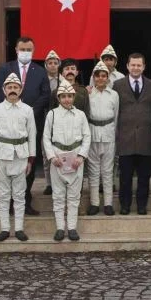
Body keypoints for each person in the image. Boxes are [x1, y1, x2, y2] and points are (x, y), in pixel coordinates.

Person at [0, 36, 50, 215]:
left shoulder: (40, 71)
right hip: (9, 125)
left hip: (33, 121)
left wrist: (29, 111)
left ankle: (25, 201)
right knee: (10, 163)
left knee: (29, 163)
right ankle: (9, 202)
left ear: (33, 51)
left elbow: (45, 94)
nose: (25, 52)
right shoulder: (5, 68)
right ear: (16, 50)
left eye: (29, 50)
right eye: (22, 49)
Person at [0, 73, 37, 242]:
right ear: (4, 90)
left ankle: (19, 229)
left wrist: (31, 159)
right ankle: (5, 229)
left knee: (19, 195)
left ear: (21, 89)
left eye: (16, 87)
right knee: (3, 195)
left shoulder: (27, 110)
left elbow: (32, 135)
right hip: (1, 155)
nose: (12, 90)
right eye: (9, 87)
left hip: (21, 156)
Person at [44, 82, 91, 241]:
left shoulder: (81, 115)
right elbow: (45, 138)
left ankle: (71, 227)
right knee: (58, 195)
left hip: (76, 158)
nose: (66, 100)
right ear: (58, 98)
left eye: (69, 96)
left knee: (73, 196)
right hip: (58, 158)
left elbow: (87, 136)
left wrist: (81, 156)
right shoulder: (52, 114)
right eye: (63, 96)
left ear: (74, 97)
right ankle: (59, 227)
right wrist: (52, 157)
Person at [113, 53, 151, 215]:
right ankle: (125, 205)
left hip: (146, 139)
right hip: (125, 138)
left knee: (144, 177)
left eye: (139, 65)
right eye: (133, 65)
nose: (136, 68)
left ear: (144, 67)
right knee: (125, 177)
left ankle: (141, 206)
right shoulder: (117, 85)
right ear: (127, 66)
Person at [86, 61, 119, 216]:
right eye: (98, 76)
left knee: (107, 171)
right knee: (93, 171)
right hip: (92, 134)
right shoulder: (88, 93)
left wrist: (114, 134)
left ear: (108, 78)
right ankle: (94, 203)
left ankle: (108, 203)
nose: (100, 78)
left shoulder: (114, 95)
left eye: (104, 76)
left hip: (108, 134)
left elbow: (116, 116)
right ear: (94, 77)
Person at [42, 50, 61, 197]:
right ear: (46, 65)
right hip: (44, 117)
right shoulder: (41, 79)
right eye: (50, 63)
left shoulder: (63, 80)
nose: (53, 66)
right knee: (46, 153)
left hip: (60, 120)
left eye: (55, 63)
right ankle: (49, 183)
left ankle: (59, 181)